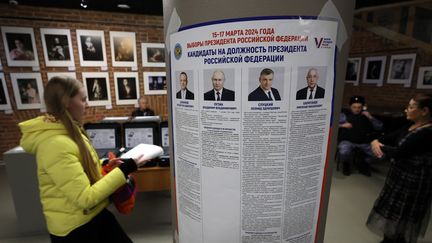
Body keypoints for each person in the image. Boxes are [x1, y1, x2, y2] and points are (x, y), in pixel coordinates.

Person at [18, 76, 148, 242]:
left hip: (93, 214)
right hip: (76, 228)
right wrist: (124, 170)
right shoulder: (55, 145)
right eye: (83, 99)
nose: (87, 104)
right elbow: (85, 198)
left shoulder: (70, 131)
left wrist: (106, 164)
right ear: (66, 102)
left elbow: (79, 167)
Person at [367, 94, 432, 243]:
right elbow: (389, 137)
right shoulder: (411, 124)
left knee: (403, 216)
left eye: (410, 107)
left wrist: (378, 144)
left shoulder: (427, 133)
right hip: (399, 177)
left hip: (412, 183)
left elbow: (400, 152)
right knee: (391, 214)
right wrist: (376, 141)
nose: (406, 110)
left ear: (424, 111)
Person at [338, 96, 383, 176]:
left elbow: (379, 127)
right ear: (350, 106)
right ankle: (346, 163)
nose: (356, 109)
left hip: (364, 141)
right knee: (343, 152)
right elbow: (332, 125)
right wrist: (342, 125)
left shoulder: (366, 115)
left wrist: (370, 117)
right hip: (348, 140)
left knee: (380, 155)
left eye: (359, 107)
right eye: (354, 107)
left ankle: (363, 162)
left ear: (362, 107)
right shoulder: (344, 115)